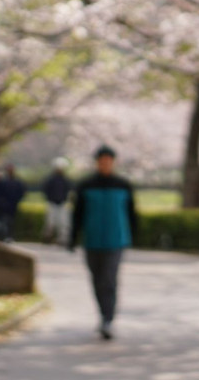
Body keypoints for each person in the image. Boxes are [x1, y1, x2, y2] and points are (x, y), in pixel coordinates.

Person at [68, 145, 138, 340]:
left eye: (108, 160)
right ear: (97, 162)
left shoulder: (123, 185)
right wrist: (72, 238)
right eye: (102, 160)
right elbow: (77, 214)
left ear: (113, 162)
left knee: (109, 279)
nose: (105, 163)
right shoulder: (86, 185)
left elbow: (132, 213)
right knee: (97, 280)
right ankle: (102, 314)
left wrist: (135, 236)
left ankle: (108, 319)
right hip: (92, 240)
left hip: (116, 241)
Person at [41, 157, 73, 244]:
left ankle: (62, 240)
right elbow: (45, 190)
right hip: (52, 203)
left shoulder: (66, 180)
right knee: (50, 223)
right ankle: (47, 238)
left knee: (63, 223)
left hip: (62, 203)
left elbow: (69, 191)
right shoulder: (50, 180)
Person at [0, 163, 27, 242]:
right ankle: (4, 236)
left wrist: (17, 199)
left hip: (13, 205)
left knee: (11, 222)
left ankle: (10, 236)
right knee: (5, 221)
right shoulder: (3, 181)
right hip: (4, 206)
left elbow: (22, 191)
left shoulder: (17, 181)